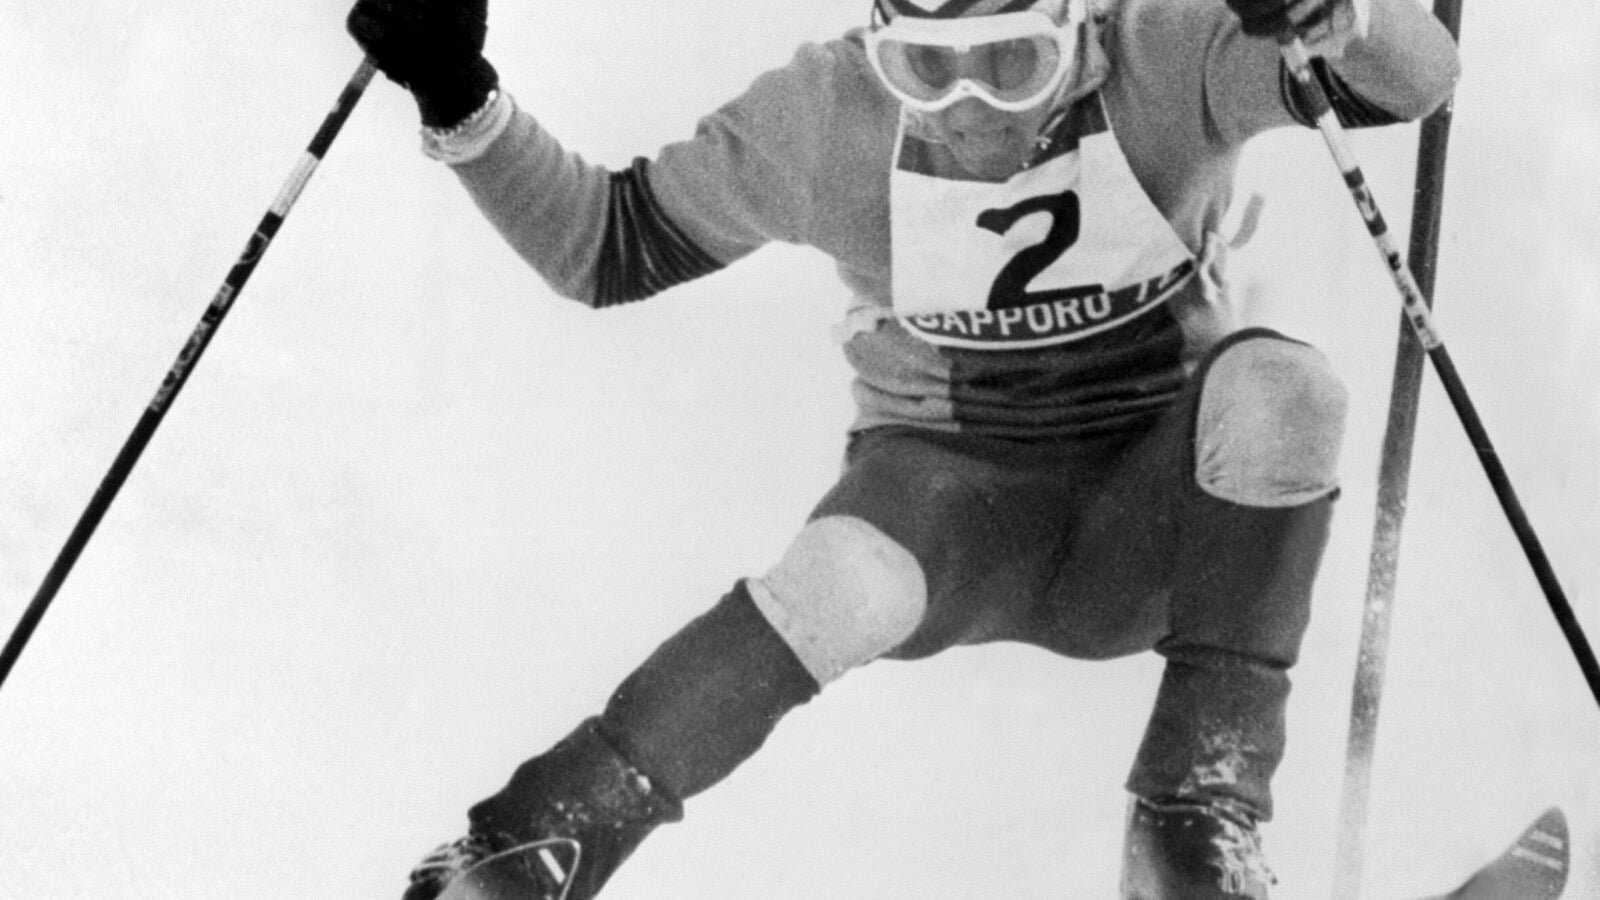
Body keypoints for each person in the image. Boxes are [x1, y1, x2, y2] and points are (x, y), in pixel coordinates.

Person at [346, 0, 1459, 896]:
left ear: (1079, 24)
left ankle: (1196, 821)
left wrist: (1338, 15)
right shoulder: (829, 112)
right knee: (843, 581)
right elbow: (606, 245)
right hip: (952, 519)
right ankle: (531, 844)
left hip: (1156, 524)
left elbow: (1415, 82)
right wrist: (460, 98)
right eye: (926, 71)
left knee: (1286, 391)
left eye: (1016, 65)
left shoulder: (1164, 51)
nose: (973, 111)